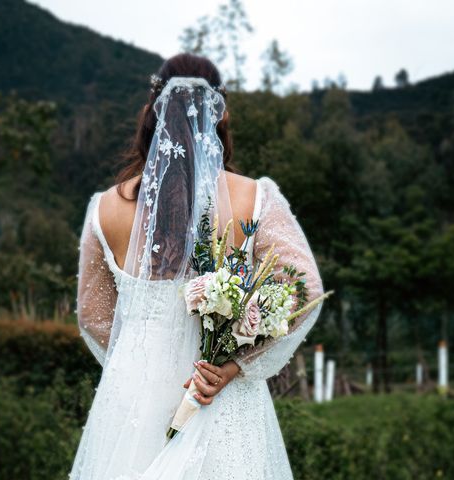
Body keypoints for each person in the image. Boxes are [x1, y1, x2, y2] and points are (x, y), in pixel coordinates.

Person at [68, 52, 325, 480]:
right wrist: (234, 363)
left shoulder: (105, 209)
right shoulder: (254, 198)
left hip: (132, 398)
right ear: (220, 117)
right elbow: (303, 290)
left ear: (150, 114)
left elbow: (93, 315)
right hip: (216, 393)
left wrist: (139, 356)